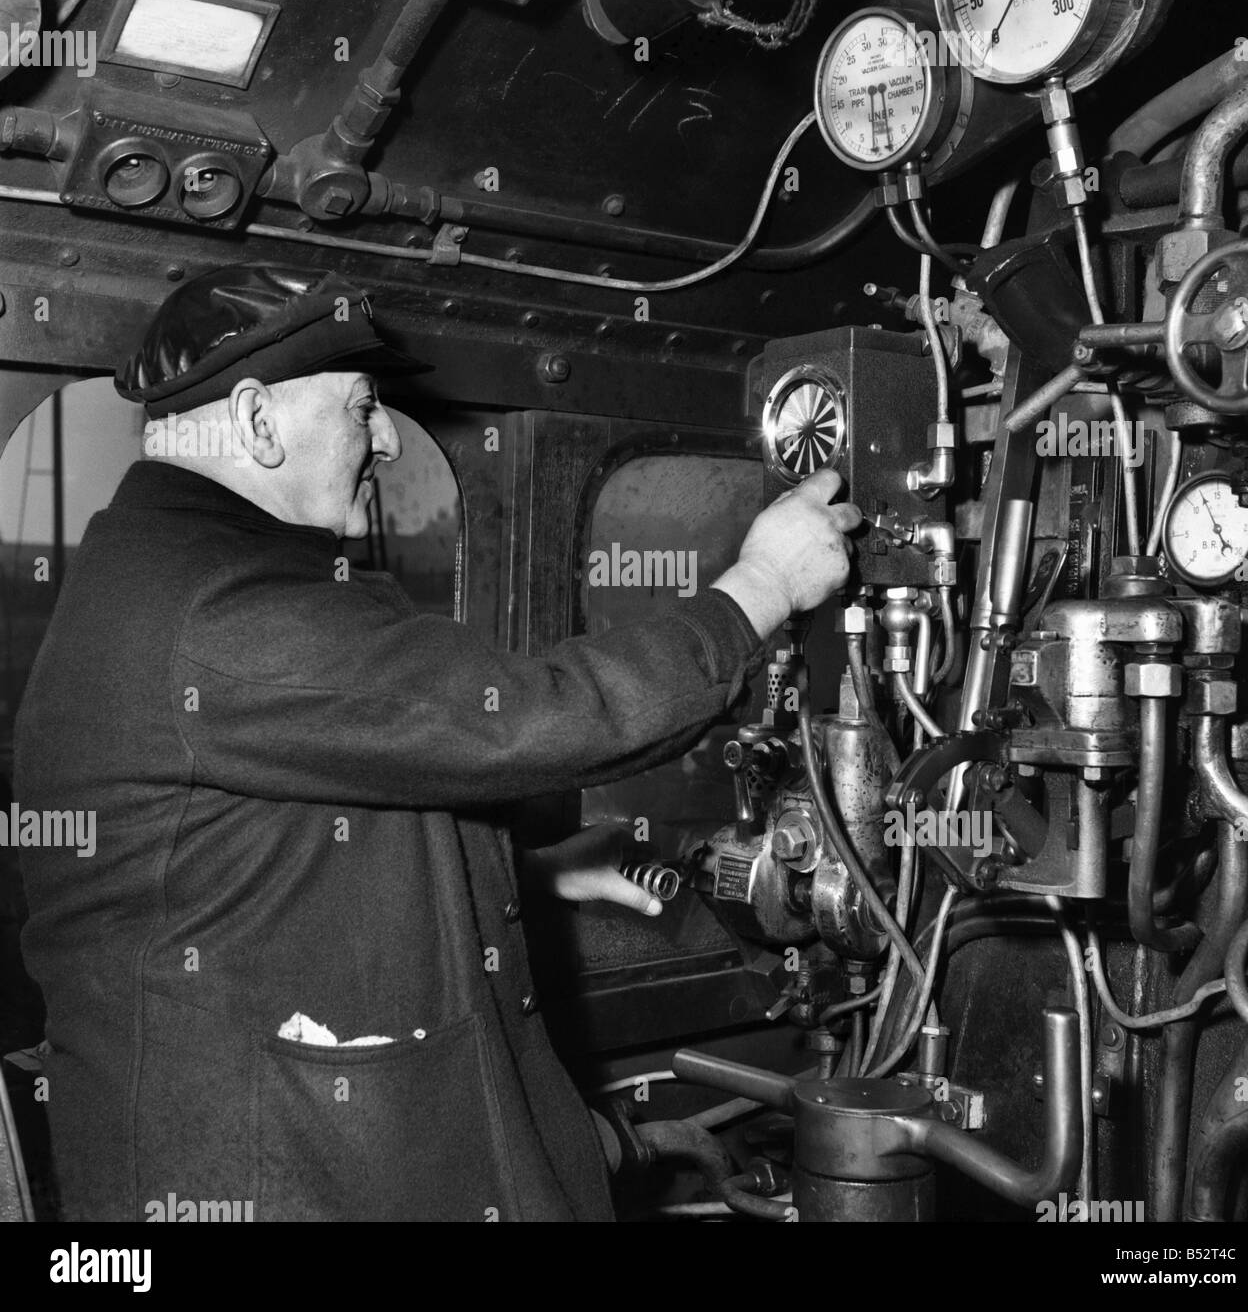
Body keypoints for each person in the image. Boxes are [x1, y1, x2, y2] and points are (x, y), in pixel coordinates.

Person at [14, 262, 861, 1221]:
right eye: (362, 407)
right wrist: (756, 594)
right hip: (258, 1172)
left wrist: (523, 871)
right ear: (254, 422)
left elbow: (289, 838)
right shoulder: (217, 608)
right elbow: (528, 715)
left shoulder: (175, 572)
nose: (383, 439)